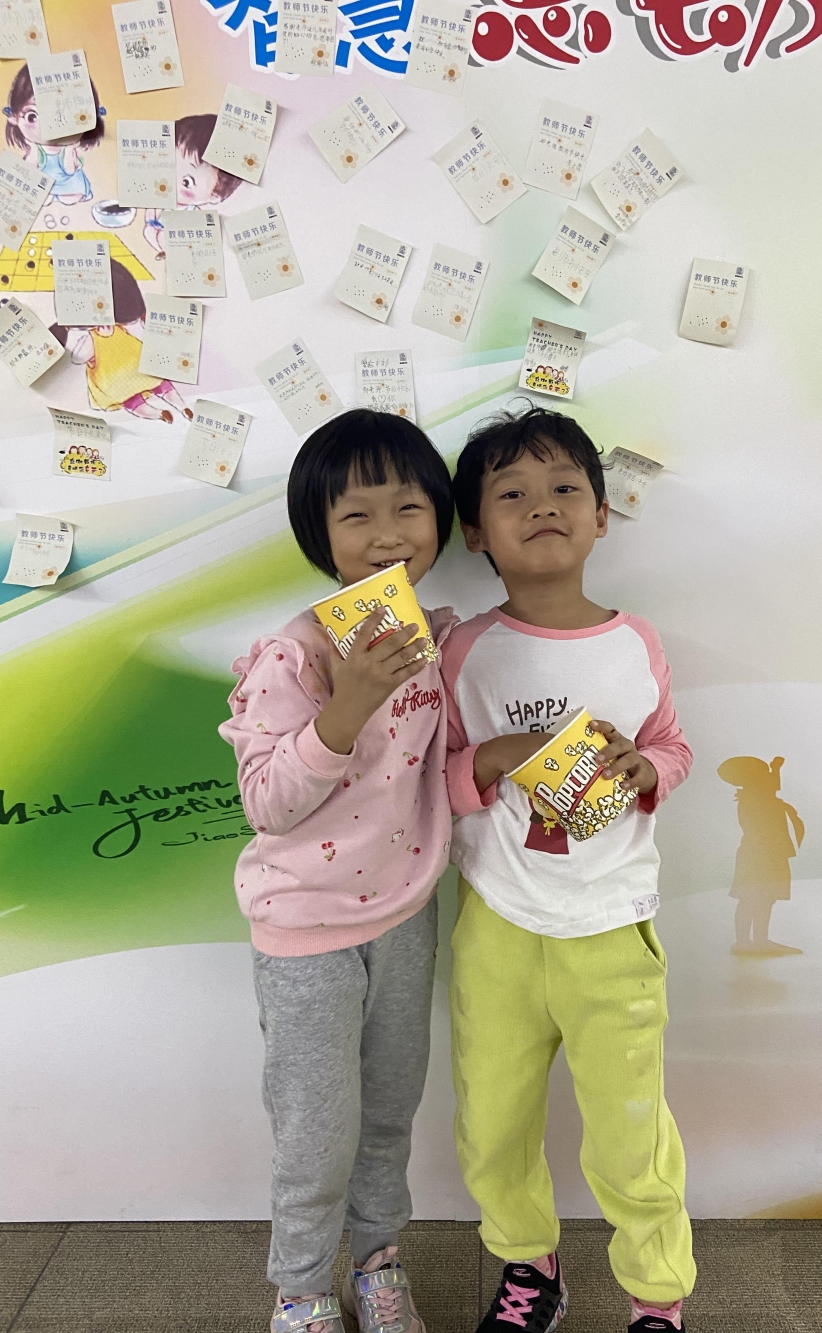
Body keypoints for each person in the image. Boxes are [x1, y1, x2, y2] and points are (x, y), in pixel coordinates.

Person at [443, 405, 697, 1333]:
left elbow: (673, 746)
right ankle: (528, 1264)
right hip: (498, 925)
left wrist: (646, 769)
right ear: (477, 531)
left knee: (633, 1131)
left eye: (563, 488)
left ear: (600, 514)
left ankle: (656, 1295)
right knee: (492, 1124)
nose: (542, 505)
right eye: (511, 493)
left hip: (612, 924)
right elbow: (432, 777)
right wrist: (490, 758)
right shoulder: (464, 650)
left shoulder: (637, 642)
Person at [218, 410, 456, 1333]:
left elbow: (437, 770)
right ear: (319, 534)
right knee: (316, 1130)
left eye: (408, 508)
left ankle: (379, 1262)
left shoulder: (435, 640)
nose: (387, 533)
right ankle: (302, 1288)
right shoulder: (296, 654)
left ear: (440, 519)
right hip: (304, 931)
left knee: (389, 1113)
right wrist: (346, 703)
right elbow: (267, 801)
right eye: (357, 515)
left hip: (404, 915)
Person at [49, 259, 192, 422]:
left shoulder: (91, 338)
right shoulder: (121, 325)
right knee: (161, 385)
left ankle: (158, 414)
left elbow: (78, 358)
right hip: (137, 365)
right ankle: (182, 407)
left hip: (114, 381)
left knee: (132, 402)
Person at [717, 755, 804, 956]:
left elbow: (772, 787)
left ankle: (760, 940)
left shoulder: (761, 795)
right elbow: (769, 792)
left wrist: (775, 769)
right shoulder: (753, 798)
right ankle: (744, 942)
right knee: (751, 897)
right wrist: (775, 769)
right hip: (758, 854)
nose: (769, 778)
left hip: (769, 853)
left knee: (766, 897)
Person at [3, 63, 105, 209]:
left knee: (71, 196)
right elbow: (31, 170)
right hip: (42, 183)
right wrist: (33, 149)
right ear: (14, 118)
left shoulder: (68, 148)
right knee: (41, 196)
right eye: (32, 116)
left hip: (67, 181)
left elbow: (69, 170)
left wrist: (69, 150)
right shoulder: (36, 148)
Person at [142, 113, 243, 257]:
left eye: (186, 182)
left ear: (214, 195)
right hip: (155, 232)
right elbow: (151, 214)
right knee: (149, 232)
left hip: (177, 246)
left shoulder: (194, 216)